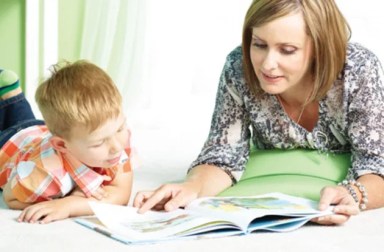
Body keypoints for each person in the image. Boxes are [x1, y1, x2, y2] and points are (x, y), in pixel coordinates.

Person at [134, 0, 384, 225]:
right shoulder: (238, 67)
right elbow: (223, 155)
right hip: (272, 174)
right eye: (259, 45)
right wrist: (191, 187)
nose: (266, 64)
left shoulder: (358, 70)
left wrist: (354, 194)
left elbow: (376, 163)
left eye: (287, 50)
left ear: (319, 48)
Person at [0, 61, 133, 224]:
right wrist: (61, 202)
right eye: (98, 143)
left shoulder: (115, 140)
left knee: (26, 122)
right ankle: (10, 102)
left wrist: (72, 205)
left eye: (120, 128)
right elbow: (10, 197)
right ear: (62, 146)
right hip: (7, 145)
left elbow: (122, 192)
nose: (117, 147)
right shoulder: (46, 175)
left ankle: (12, 97)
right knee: (18, 127)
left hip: (36, 129)